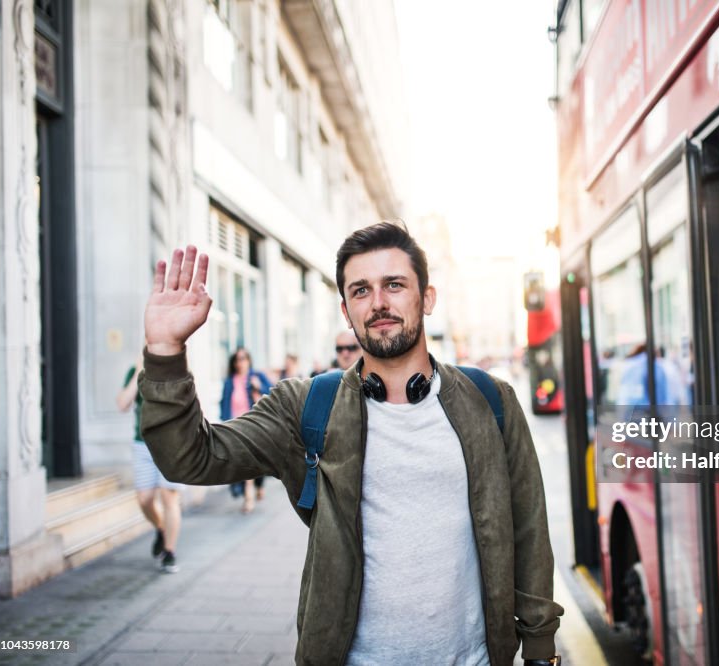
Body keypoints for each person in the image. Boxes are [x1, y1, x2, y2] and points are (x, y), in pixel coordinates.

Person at [137, 222, 563, 665]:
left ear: (428, 298)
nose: (378, 303)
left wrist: (539, 649)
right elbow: (192, 458)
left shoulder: (489, 401)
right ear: (346, 310)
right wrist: (165, 352)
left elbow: (529, 527)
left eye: (394, 285)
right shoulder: (305, 406)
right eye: (361, 291)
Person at [116, 354, 183, 573]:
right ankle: (161, 528)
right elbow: (122, 404)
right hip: (142, 444)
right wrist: (137, 372)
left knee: (168, 497)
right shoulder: (136, 370)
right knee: (144, 500)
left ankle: (170, 552)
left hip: (170, 443)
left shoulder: (177, 367)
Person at [219, 347, 272, 513]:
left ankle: (251, 494)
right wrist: (224, 424)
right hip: (236, 427)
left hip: (254, 424)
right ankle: (252, 491)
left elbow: (272, 392)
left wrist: (258, 386)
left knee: (254, 459)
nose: (240, 362)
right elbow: (225, 402)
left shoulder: (256, 376)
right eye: (237, 359)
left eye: (243, 358)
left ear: (248, 360)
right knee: (242, 460)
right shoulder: (230, 380)